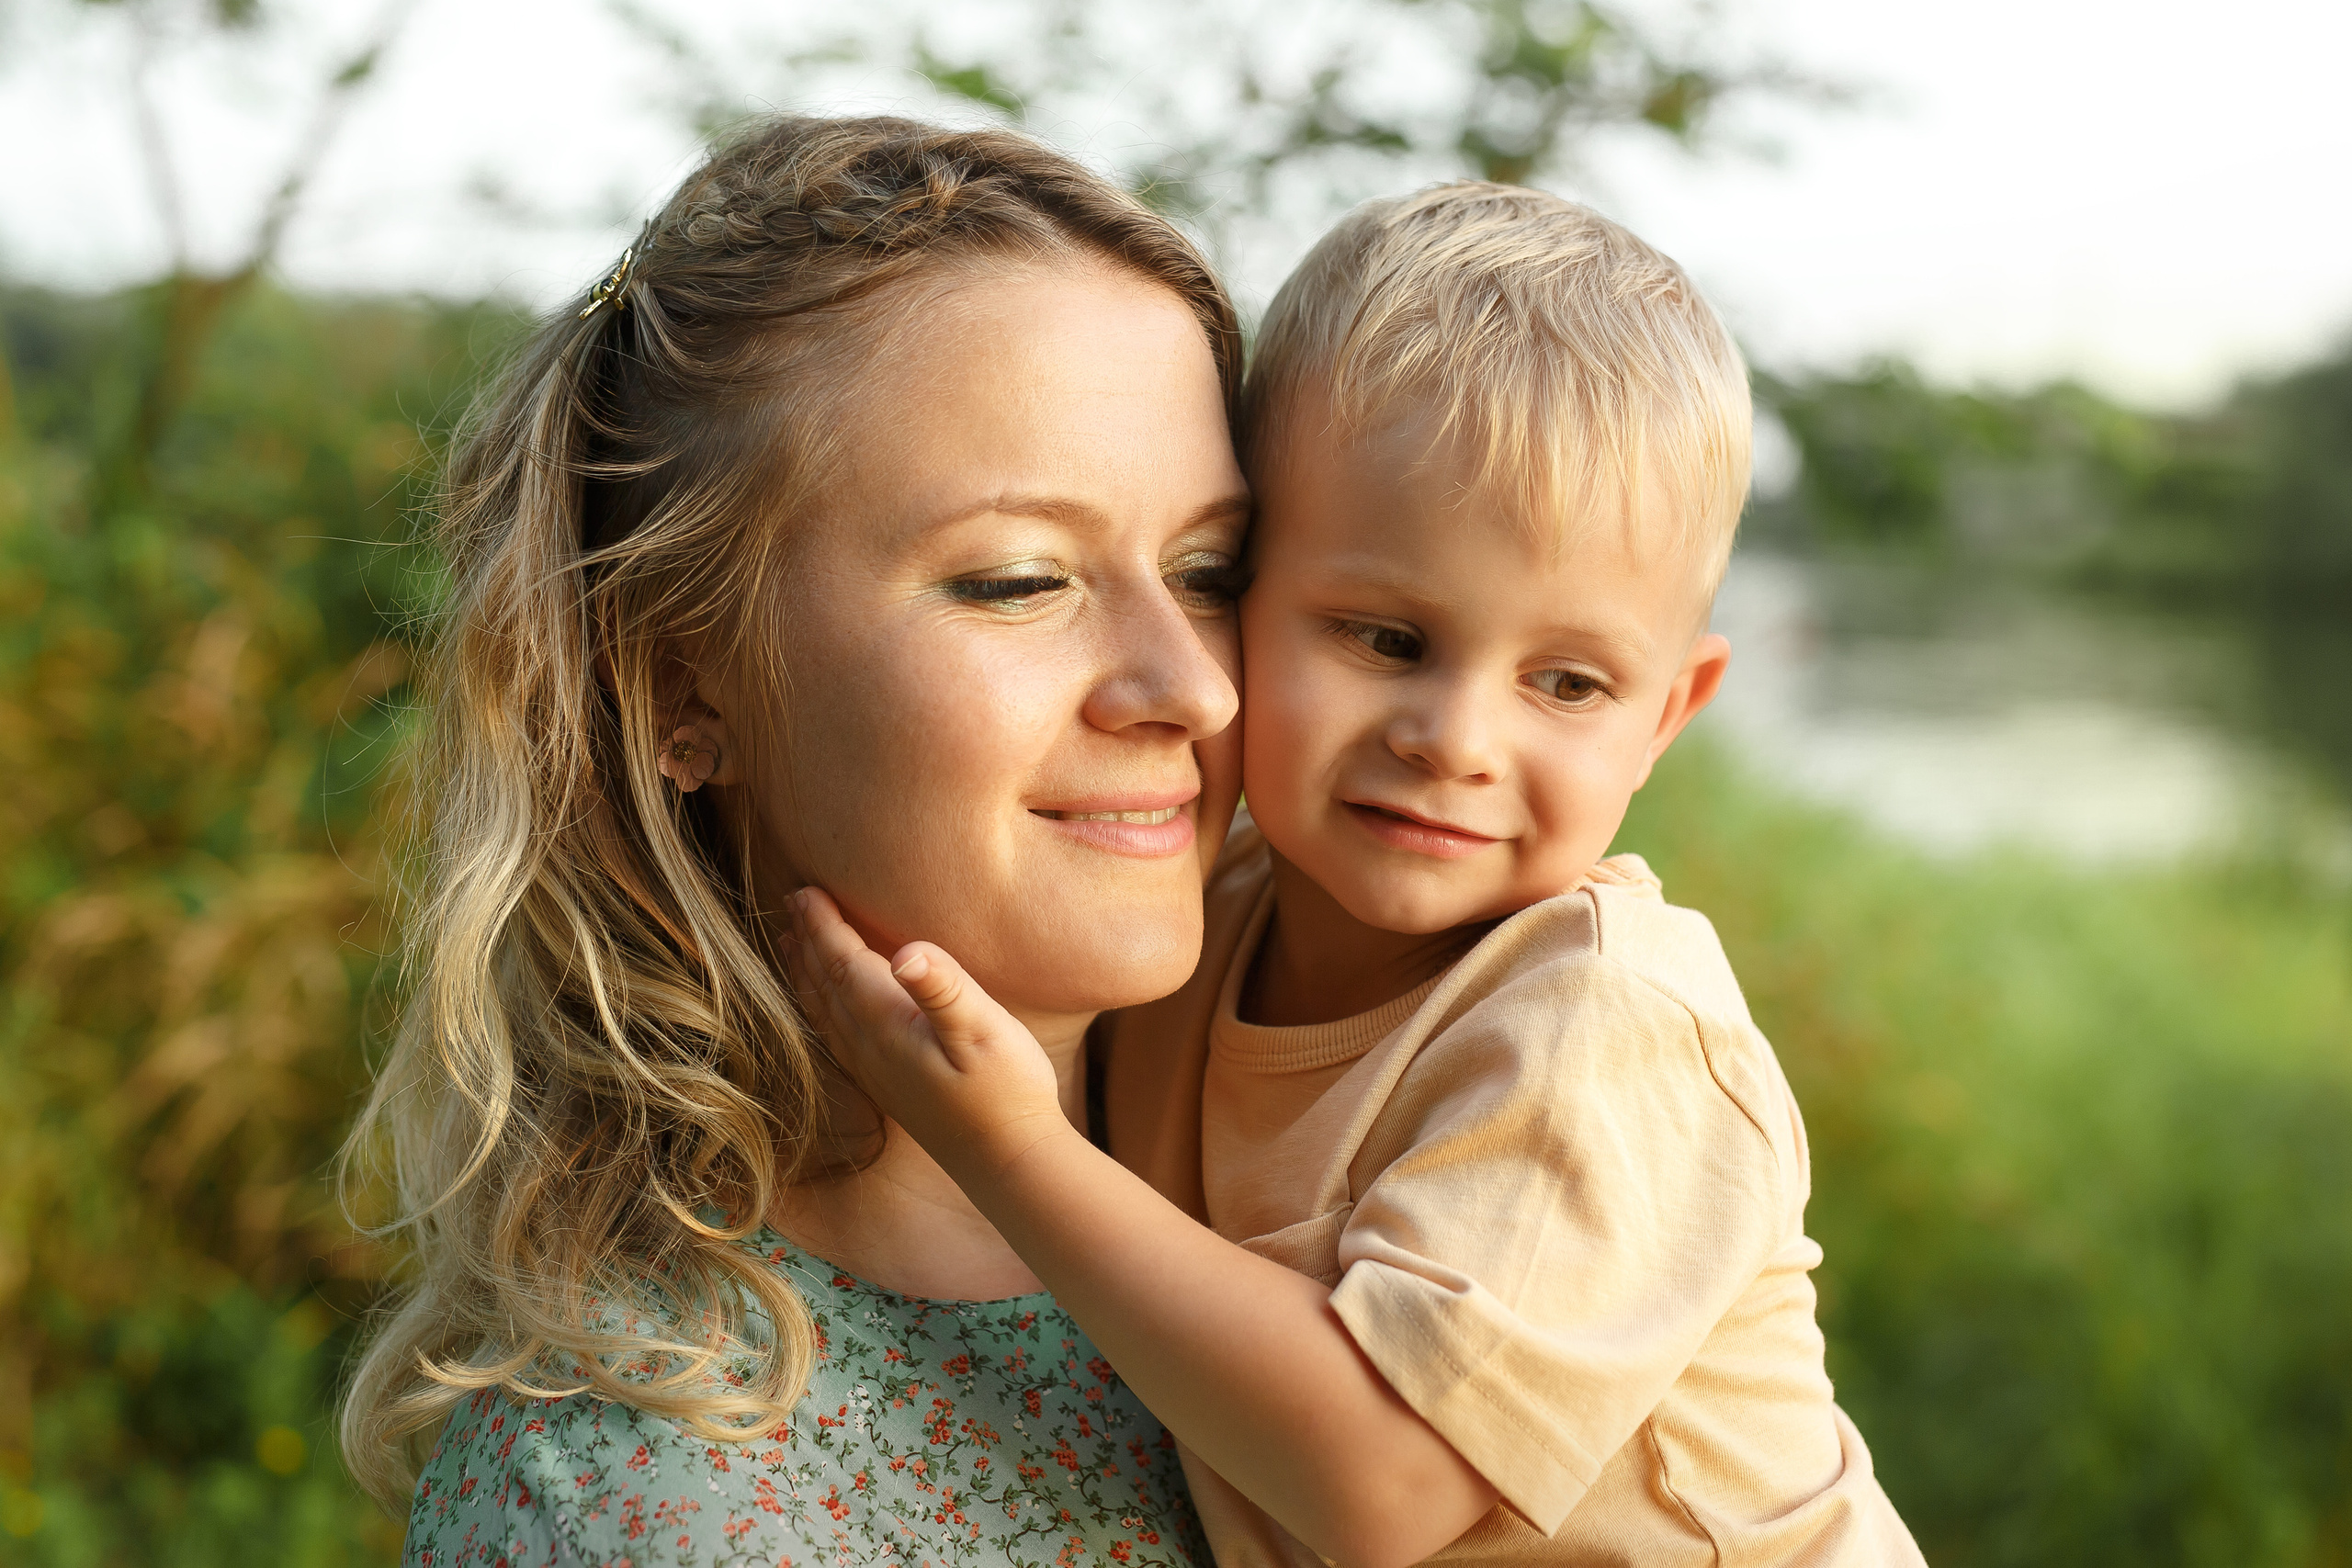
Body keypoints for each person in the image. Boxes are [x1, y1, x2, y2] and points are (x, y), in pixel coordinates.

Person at [790, 184, 1926, 1565]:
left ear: (1665, 719)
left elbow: (1377, 1486)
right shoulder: (1195, 919)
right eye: (1385, 639)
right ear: (1238, 596)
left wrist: (1006, 1140)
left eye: (1566, 682)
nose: (1453, 740)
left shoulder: (1607, 1033)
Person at [337, 114, 1259, 1565]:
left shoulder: (1382, 1200)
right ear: (676, 684)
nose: (1194, 685)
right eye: (1018, 581)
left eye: (1213, 569)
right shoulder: (656, 1505)